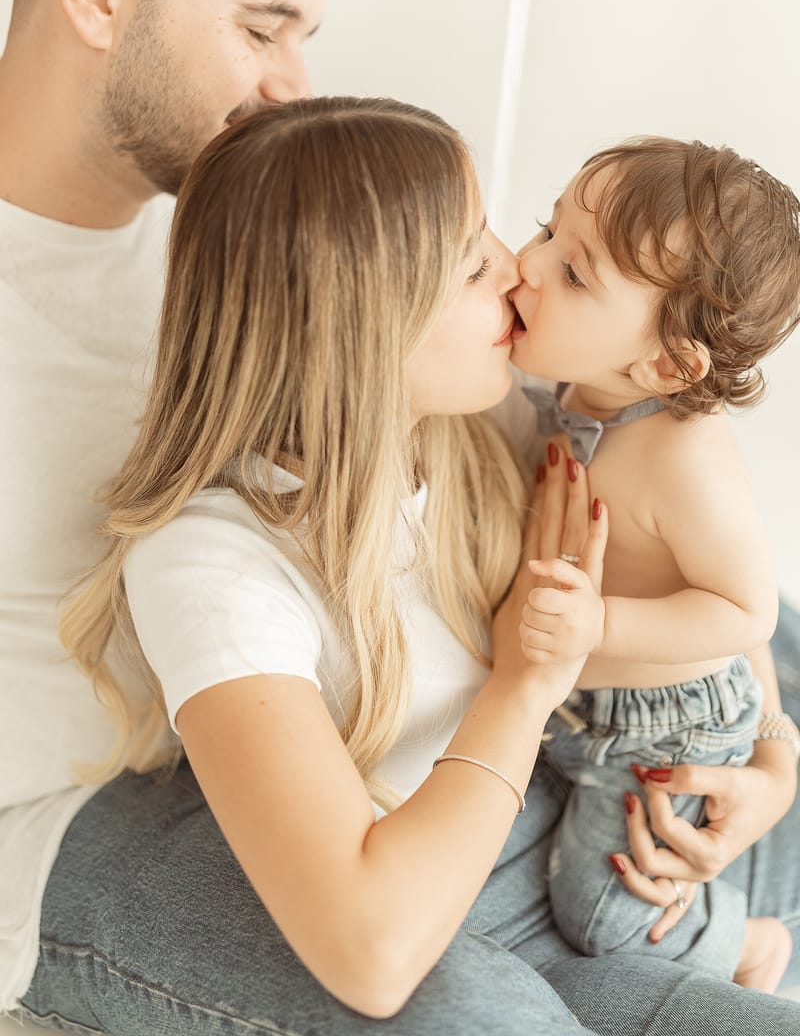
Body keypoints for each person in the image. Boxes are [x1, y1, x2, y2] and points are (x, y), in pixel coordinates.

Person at [22, 95, 796, 1036]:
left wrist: (770, 766)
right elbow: (377, 951)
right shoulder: (212, 564)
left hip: (596, 806)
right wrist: (524, 680)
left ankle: (742, 929)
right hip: (475, 885)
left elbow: (711, 583)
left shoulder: (493, 415)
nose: (517, 265)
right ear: (367, 327)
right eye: (475, 259)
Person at [0, 0, 322, 1018]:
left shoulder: (236, 241)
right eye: (258, 29)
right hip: (55, 825)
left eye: (302, 39)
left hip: (264, 736)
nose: (292, 84)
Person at [506, 136, 800, 989]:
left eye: (573, 274)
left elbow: (746, 610)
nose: (526, 265)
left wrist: (603, 622)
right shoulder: (578, 384)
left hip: (667, 720)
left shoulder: (681, 456)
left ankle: (748, 944)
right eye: (544, 231)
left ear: (666, 364)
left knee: (599, 914)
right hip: (580, 702)